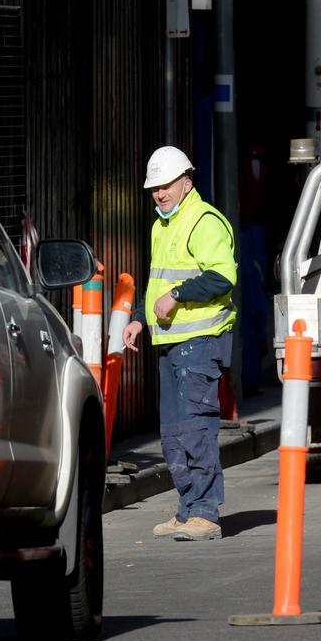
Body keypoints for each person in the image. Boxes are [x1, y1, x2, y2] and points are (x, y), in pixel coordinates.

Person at [122, 145, 237, 541]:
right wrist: (140, 318)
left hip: (200, 343)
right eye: (154, 187)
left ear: (186, 183)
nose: (159, 193)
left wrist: (177, 296)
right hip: (171, 343)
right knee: (172, 431)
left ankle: (205, 511)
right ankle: (188, 507)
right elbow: (158, 281)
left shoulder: (205, 221)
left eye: (166, 185)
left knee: (195, 428)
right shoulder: (162, 226)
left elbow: (222, 278)